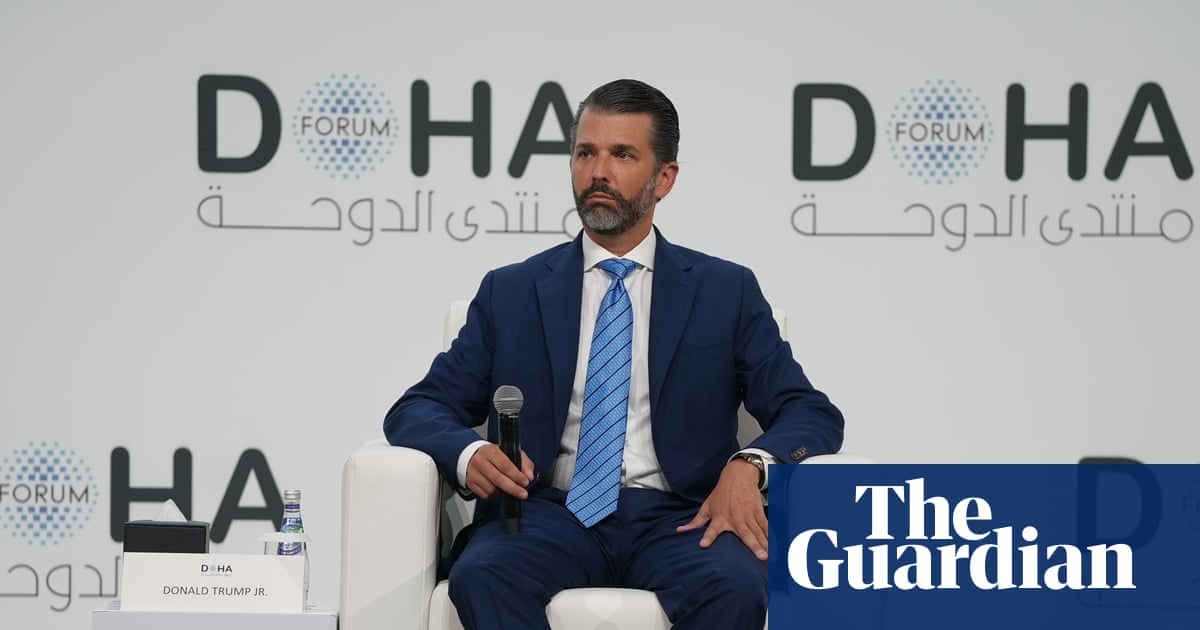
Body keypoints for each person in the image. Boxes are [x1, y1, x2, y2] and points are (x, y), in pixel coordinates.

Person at [384, 78, 844, 630]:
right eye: (586, 153)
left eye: (622, 155)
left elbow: (810, 412)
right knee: (483, 574)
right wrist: (468, 452)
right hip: (548, 512)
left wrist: (750, 466)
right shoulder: (511, 292)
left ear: (664, 177)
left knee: (736, 587)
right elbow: (417, 409)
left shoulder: (726, 291)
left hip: (681, 516)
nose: (598, 171)